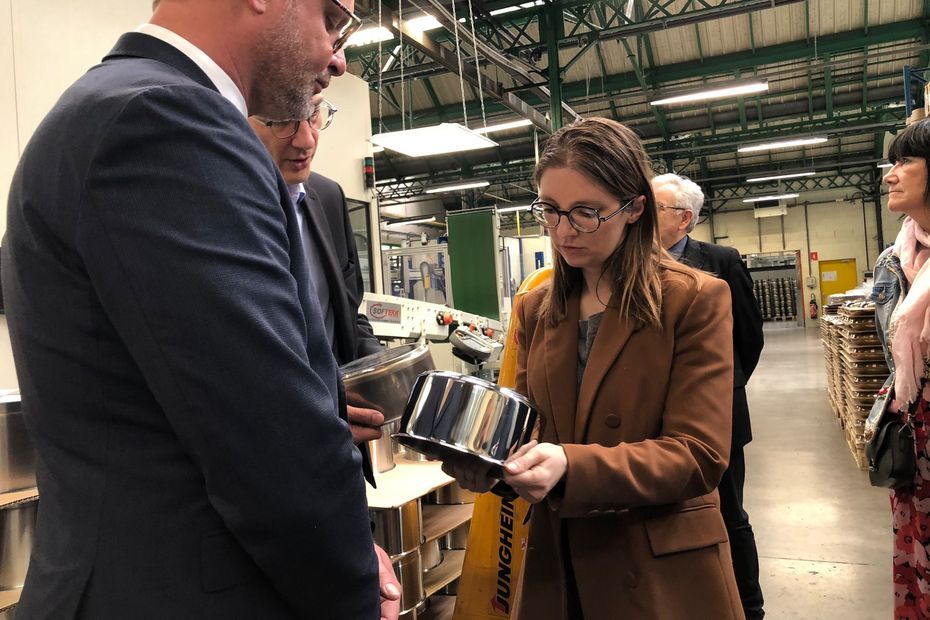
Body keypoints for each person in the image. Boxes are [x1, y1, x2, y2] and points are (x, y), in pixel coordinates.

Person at [2, 0, 400, 617]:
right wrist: (352, 586)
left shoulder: (120, 106)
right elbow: (270, 443)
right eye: (333, 18)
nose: (340, 59)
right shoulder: (165, 119)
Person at [443, 118, 743, 619]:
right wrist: (492, 467)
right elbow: (527, 434)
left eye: (586, 212)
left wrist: (570, 467)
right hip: (558, 572)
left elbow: (699, 455)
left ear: (634, 209)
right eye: (551, 211)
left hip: (657, 577)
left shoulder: (694, 299)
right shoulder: (537, 310)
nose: (564, 230)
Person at [652, 173, 765, 620]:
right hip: (658, 413)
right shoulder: (633, 264)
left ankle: (749, 607)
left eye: (655, 206)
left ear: (684, 219)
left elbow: (749, 336)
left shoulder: (719, 260)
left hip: (720, 414)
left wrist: (723, 387)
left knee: (729, 510)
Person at [248, 95, 385, 454]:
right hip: (265, 447)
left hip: (340, 445)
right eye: (282, 120)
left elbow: (345, 319)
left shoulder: (328, 196)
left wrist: (391, 375)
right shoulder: (223, 207)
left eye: (313, 115)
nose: (306, 139)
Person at [866, 118, 930, 617]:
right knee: (917, 557)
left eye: (905, 161)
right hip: (915, 428)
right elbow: (894, 357)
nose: (890, 174)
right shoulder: (894, 259)